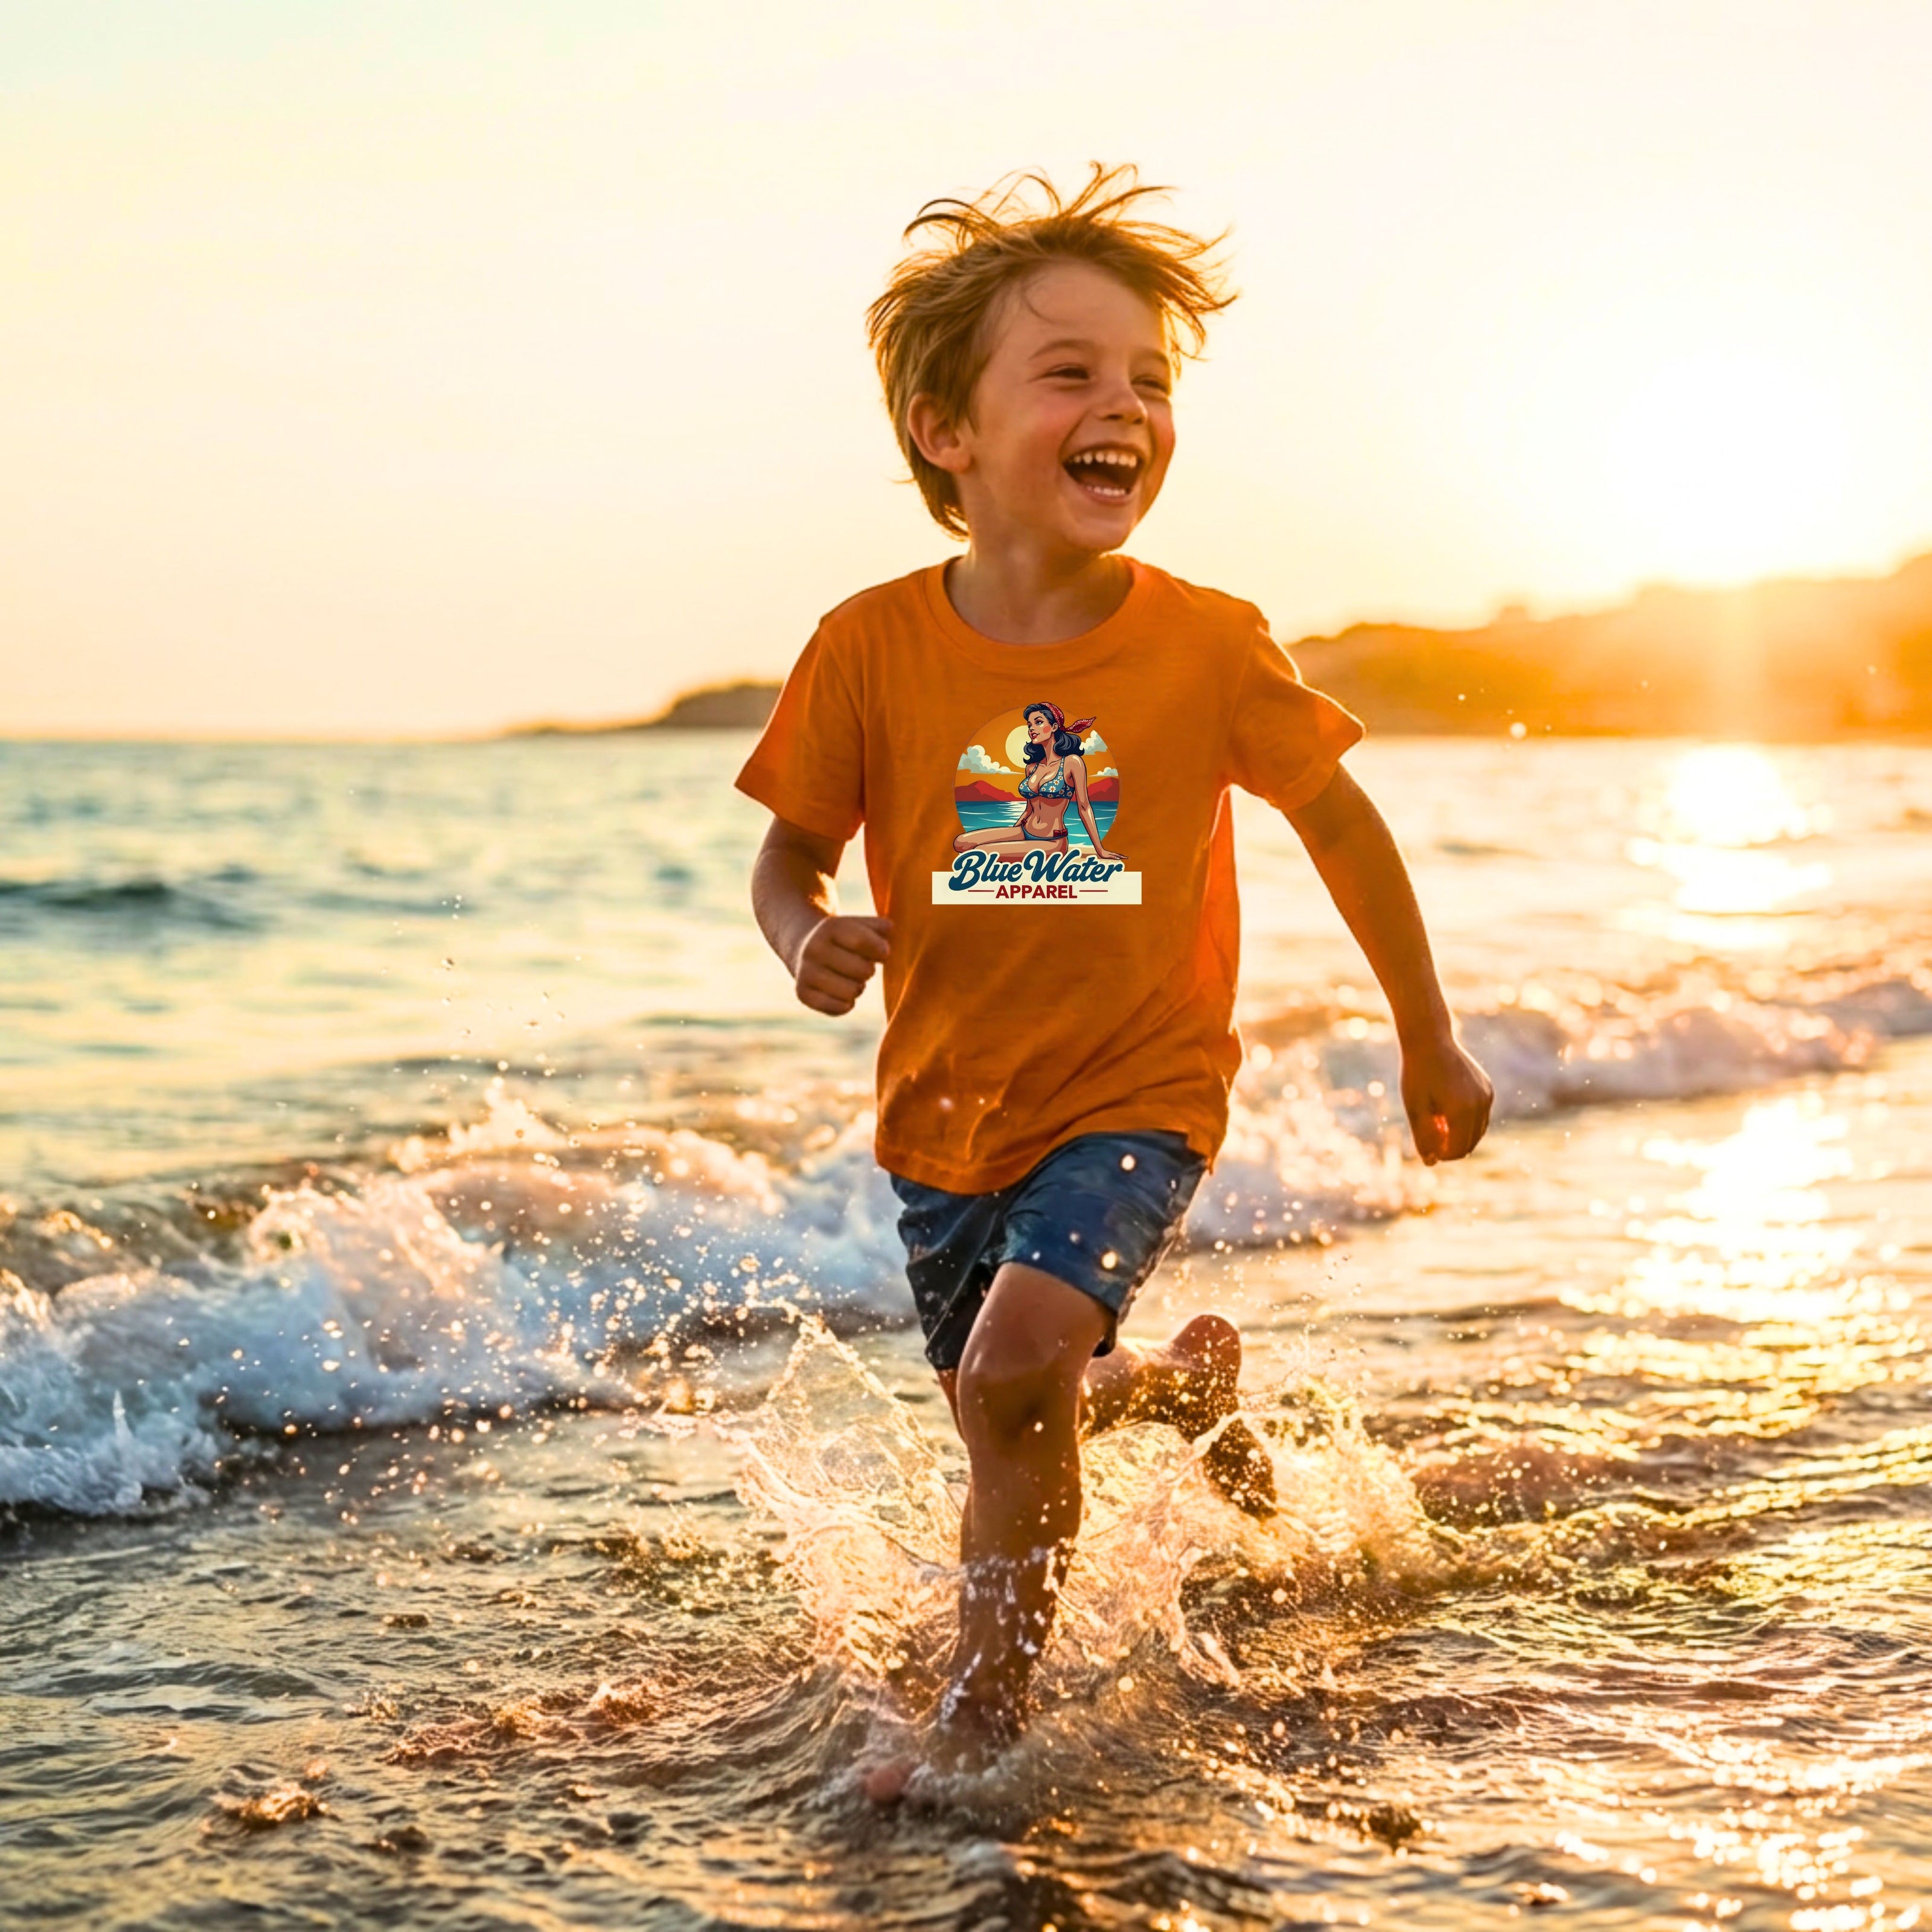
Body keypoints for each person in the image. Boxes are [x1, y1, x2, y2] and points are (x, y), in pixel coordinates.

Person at [737, 166, 1492, 1767]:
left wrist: (1428, 1039)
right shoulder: (868, 647)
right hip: (943, 1118)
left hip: (1141, 1092)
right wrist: (808, 936)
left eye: (1150, 379)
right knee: (1013, 1404)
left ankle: (980, 1729)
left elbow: (1345, 831)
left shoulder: (1207, 644)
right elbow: (786, 853)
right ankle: (1183, 1395)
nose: (1125, 406)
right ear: (949, 431)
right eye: (1070, 372)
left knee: (1015, 1378)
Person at [952, 700, 1123, 863]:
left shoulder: (1072, 763)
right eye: (1029, 725)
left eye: (1038, 722)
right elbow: (1029, 809)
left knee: (980, 853)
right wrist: (1010, 835)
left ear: (1055, 726)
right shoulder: (1032, 767)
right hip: (1024, 830)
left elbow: (1084, 807)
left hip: (1052, 841)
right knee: (961, 843)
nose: (1032, 729)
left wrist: (1100, 850)